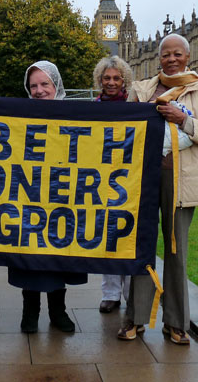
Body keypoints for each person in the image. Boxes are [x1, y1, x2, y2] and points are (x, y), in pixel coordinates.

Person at [118, 33, 198, 345]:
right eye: (166, 54)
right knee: (141, 247)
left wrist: (184, 120)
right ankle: (135, 319)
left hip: (182, 180)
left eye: (178, 54)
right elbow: (123, 128)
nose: (172, 59)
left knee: (176, 251)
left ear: (187, 56)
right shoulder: (143, 88)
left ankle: (176, 323)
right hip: (145, 179)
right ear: (158, 57)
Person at [8, 60, 88, 333]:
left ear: (56, 85)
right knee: (30, 256)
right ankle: (29, 312)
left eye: (45, 84)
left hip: (62, 198)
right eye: (33, 85)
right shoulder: (19, 115)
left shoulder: (76, 114)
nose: (39, 90)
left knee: (59, 256)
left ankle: (58, 312)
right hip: (29, 197)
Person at [93, 56, 132, 313]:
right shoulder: (93, 107)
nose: (111, 83)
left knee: (129, 236)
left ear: (124, 81)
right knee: (108, 235)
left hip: (130, 178)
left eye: (116, 78)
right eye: (107, 78)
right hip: (101, 178)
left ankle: (131, 295)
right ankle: (110, 294)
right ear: (99, 81)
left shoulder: (136, 105)